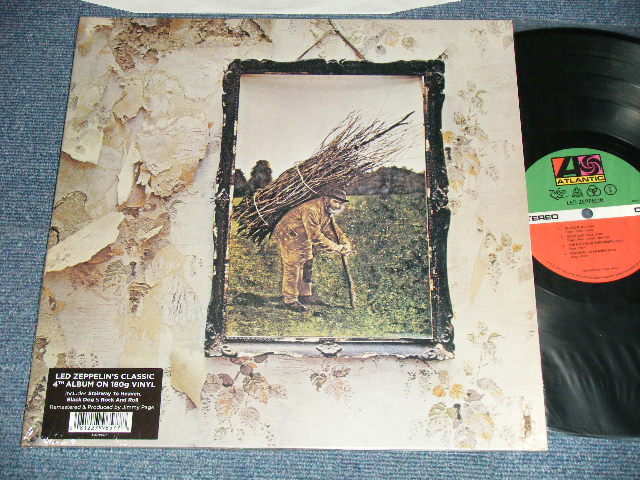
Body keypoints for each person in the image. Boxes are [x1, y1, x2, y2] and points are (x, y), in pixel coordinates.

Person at [273, 188, 352, 312]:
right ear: (326, 199)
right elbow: (315, 237)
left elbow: (331, 228)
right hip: (289, 233)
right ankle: (290, 299)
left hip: (304, 234)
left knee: (307, 262)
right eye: (335, 201)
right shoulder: (311, 210)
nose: (338, 205)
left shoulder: (327, 210)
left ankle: (305, 295)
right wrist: (336, 247)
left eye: (340, 203)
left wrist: (344, 242)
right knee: (293, 264)